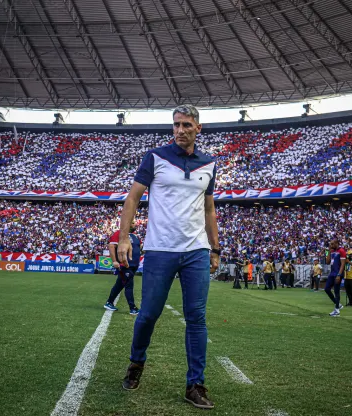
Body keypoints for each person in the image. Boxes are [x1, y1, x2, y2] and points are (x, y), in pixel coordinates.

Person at [118, 105, 219, 409]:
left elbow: (209, 209)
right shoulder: (155, 157)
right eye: (176, 125)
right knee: (148, 314)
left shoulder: (209, 164)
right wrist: (124, 238)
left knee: (197, 318)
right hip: (160, 249)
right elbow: (133, 197)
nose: (180, 130)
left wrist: (215, 248)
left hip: (196, 251)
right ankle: (136, 364)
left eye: (186, 125)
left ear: (198, 128)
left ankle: (195, 385)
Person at [103, 221, 141, 315]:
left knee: (119, 285)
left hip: (133, 266)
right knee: (129, 285)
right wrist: (115, 261)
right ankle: (133, 308)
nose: (134, 225)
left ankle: (109, 302)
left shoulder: (134, 236)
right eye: (132, 223)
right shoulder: (119, 233)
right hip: (124, 265)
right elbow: (111, 246)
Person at [325, 239, 346, 317]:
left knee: (336, 291)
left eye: (332, 244)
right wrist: (329, 252)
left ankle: (337, 310)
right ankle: (338, 304)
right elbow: (327, 262)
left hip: (337, 273)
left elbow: (343, 264)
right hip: (332, 273)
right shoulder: (332, 251)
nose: (331, 245)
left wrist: (339, 275)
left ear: (337, 243)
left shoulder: (341, 251)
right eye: (330, 244)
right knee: (327, 289)